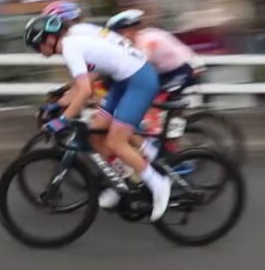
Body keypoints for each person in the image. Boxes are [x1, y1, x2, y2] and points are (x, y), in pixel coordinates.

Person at [25, 14, 170, 221]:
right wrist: (55, 106)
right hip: (124, 80)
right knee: (95, 134)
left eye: (36, 46)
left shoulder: (69, 47)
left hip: (139, 81)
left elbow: (83, 91)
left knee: (116, 141)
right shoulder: (74, 41)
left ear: (48, 39)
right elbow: (82, 86)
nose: (39, 52)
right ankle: (126, 183)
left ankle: (158, 183)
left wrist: (62, 120)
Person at [106, 9, 205, 91]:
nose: (118, 37)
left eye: (120, 33)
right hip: (165, 74)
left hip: (184, 71)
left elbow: (141, 63)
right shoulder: (133, 42)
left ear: (131, 30)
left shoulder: (149, 40)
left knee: (148, 93)